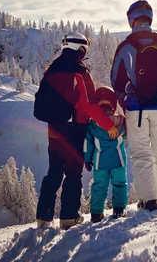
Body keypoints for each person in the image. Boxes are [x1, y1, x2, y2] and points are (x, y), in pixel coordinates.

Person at [35, 33, 119, 230]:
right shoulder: (80, 72)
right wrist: (108, 125)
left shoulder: (51, 69)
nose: (84, 54)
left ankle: (43, 217)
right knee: (73, 173)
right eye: (84, 50)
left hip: (54, 130)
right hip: (74, 130)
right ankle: (68, 217)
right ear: (79, 49)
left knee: (53, 173)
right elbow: (89, 105)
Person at [111, 0, 157, 211]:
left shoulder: (125, 47)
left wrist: (125, 100)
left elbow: (115, 80)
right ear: (150, 18)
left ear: (131, 20)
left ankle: (148, 201)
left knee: (141, 154)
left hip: (136, 108)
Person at [84, 86, 128, 223]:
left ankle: (96, 213)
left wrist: (87, 159)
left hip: (99, 162)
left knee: (99, 186)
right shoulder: (121, 121)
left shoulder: (92, 125)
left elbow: (88, 144)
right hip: (119, 161)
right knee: (120, 184)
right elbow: (127, 135)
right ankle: (119, 209)